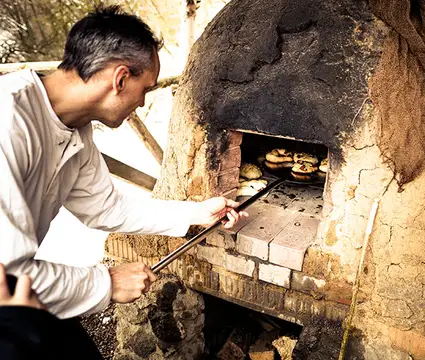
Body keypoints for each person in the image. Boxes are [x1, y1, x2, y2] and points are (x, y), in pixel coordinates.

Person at [0, 3, 246, 336]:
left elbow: (105, 206)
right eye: (145, 89)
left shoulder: (77, 128)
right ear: (120, 78)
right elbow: (7, 274)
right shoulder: (8, 121)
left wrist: (195, 212)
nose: (142, 103)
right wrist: (107, 283)